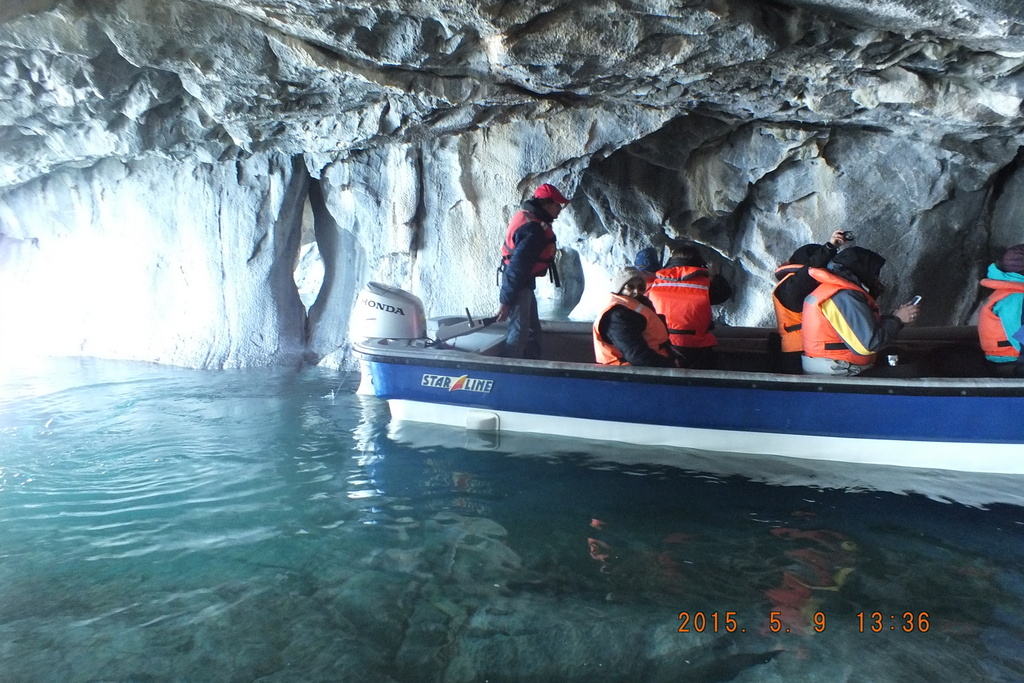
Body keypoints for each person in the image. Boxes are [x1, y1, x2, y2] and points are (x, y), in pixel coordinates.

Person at [801, 246, 919, 375]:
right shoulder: (844, 296)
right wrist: (897, 320)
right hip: (839, 371)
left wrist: (894, 317)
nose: (876, 279)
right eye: (873, 274)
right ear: (860, 271)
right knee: (912, 371)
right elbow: (868, 345)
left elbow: (856, 329)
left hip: (828, 366)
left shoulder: (830, 290)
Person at [496, 183, 571, 358]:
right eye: (557, 204)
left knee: (530, 328)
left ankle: (532, 361)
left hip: (523, 282)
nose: (560, 209)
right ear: (545, 203)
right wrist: (505, 301)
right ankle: (513, 370)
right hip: (518, 284)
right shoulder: (533, 230)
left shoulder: (528, 217)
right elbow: (517, 268)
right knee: (520, 330)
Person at [772, 231, 852, 372]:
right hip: (796, 351)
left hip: (812, 350)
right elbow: (807, 272)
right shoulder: (789, 287)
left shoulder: (808, 286)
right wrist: (828, 248)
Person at [646, 243, 733, 369]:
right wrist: (715, 275)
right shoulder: (705, 283)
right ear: (699, 261)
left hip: (663, 343)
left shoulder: (655, 282)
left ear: (672, 260)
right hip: (696, 346)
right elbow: (724, 293)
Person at [593, 267, 675, 367]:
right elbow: (637, 356)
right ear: (619, 288)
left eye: (640, 287)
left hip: (650, 366)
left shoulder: (638, 306)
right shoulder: (616, 316)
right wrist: (669, 366)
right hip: (629, 374)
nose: (636, 292)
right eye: (630, 287)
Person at [978, 244, 1024, 377]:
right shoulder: (1016, 299)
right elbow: (1021, 341)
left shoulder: (1009, 293)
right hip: (1012, 365)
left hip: (1008, 361)